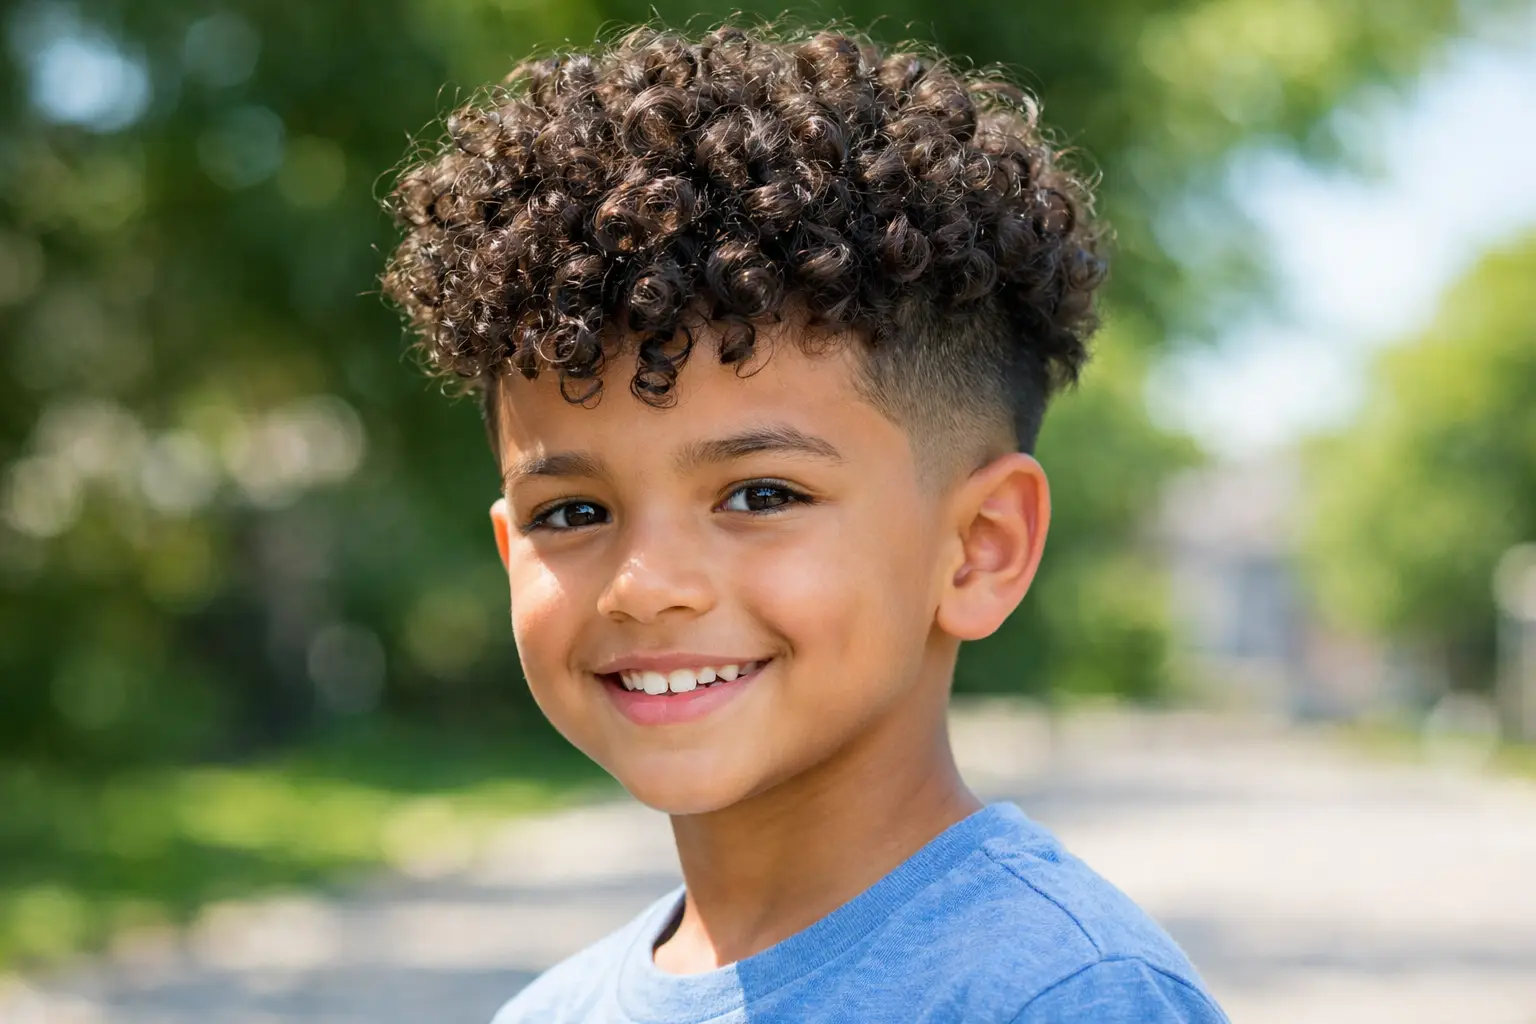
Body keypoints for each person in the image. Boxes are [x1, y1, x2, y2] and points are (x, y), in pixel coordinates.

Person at [380, 21, 1228, 1023]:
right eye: (572, 511)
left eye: (760, 495)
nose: (646, 583)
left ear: (980, 547)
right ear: (509, 548)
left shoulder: (1057, 994)